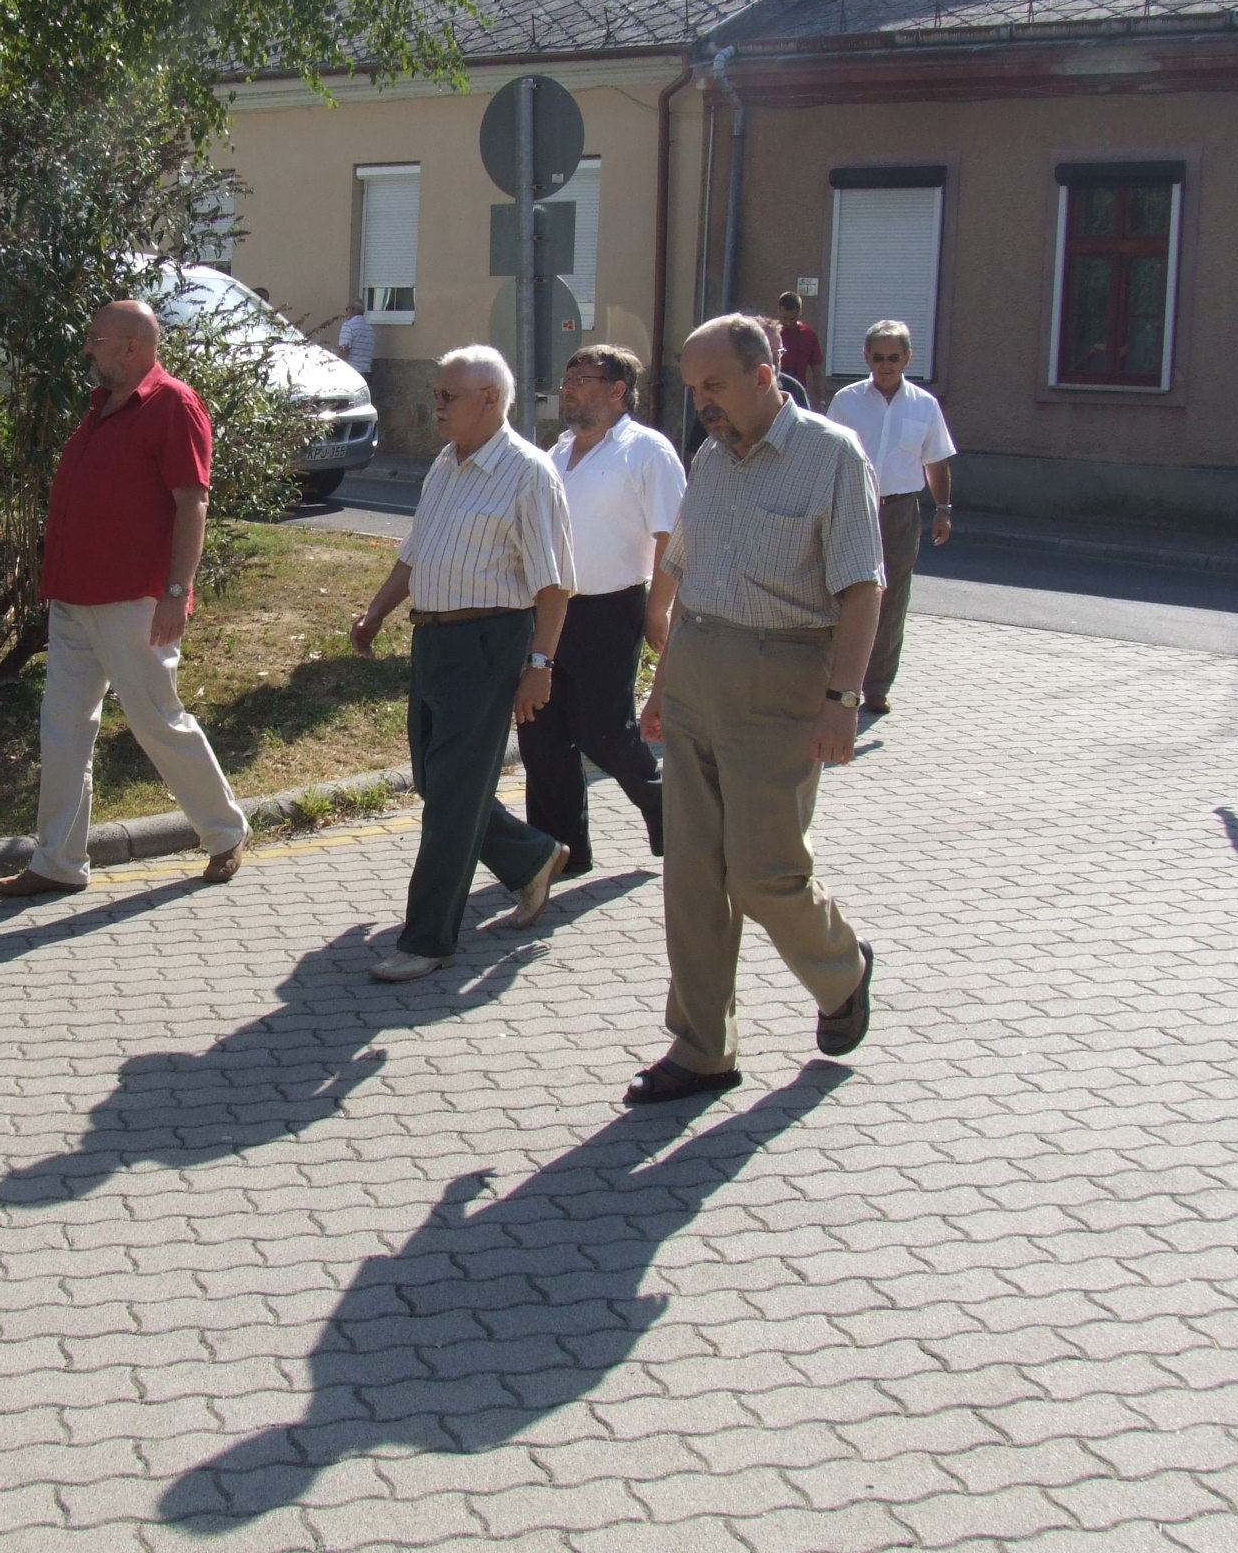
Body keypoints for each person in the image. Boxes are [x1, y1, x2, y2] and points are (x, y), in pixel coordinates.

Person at [630, 314, 884, 1105]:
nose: (701, 402)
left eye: (714, 385)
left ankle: (842, 971)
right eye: (692, 388)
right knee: (693, 878)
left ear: (764, 375)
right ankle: (702, 1047)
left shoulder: (831, 455)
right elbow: (692, 577)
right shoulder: (710, 458)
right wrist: (664, 686)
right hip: (699, 670)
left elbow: (862, 587)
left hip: (783, 681)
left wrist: (843, 700)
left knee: (765, 874)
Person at [0, 300, 250, 897]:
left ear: (132, 346)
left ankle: (225, 833)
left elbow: (193, 502)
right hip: (73, 596)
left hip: (135, 600)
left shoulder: (173, 404)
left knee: (156, 721)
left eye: (97, 339)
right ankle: (58, 862)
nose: (87, 348)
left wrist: (176, 592)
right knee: (62, 729)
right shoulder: (103, 406)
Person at [350, 346, 577, 979]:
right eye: (437, 394)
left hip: (489, 643)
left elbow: (554, 585)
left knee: (450, 798)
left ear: (491, 400)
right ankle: (531, 857)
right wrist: (377, 612)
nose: (437, 406)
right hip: (433, 641)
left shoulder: (529, 474)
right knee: (438, 780)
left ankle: (428, 940)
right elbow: (416, 550)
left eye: (449, 396)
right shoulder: (445, 464)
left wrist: (540, 665)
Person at [521, 345, 683, 879]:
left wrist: (658, 609)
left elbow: (673, 538)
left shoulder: (646, 451)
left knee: (603, 731)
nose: (567, 389)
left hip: (611, 610)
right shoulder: (557, 451)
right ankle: (560, 851)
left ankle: (669, 811)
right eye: (566, 379)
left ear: (617, 391)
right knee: (541, 732)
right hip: (549, 610)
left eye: (581, 379)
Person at [824, 320, 956, 715]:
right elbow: (826, 456)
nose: (886, 365)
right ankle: (833, 681)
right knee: (841, 592)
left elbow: (936, 460)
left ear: (907, 358)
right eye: (878, 357)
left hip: (899, 510)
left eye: (893, 358)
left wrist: (943, 509)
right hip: (852, 506)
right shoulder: (847, 401)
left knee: (892, 598)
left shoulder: (924, 405)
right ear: (867, 357)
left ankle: (877, 687)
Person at [775, 292, 824, 402]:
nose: (788, 323)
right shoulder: (771, 334)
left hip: (797, 394)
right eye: (784, 318)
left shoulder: (808, 335)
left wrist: (821, 401)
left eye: (792, 318)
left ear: (799, 311)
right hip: (774, 394)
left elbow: (817, 372)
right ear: (778, 311)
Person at [337, 300, 377, 394]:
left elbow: (345, 350)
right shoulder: (370, 329)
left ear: (352, 310)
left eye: (347, 309)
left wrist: (338, 365)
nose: (346, 311)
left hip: (351, 372)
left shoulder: (348, 326)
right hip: (366, 373)